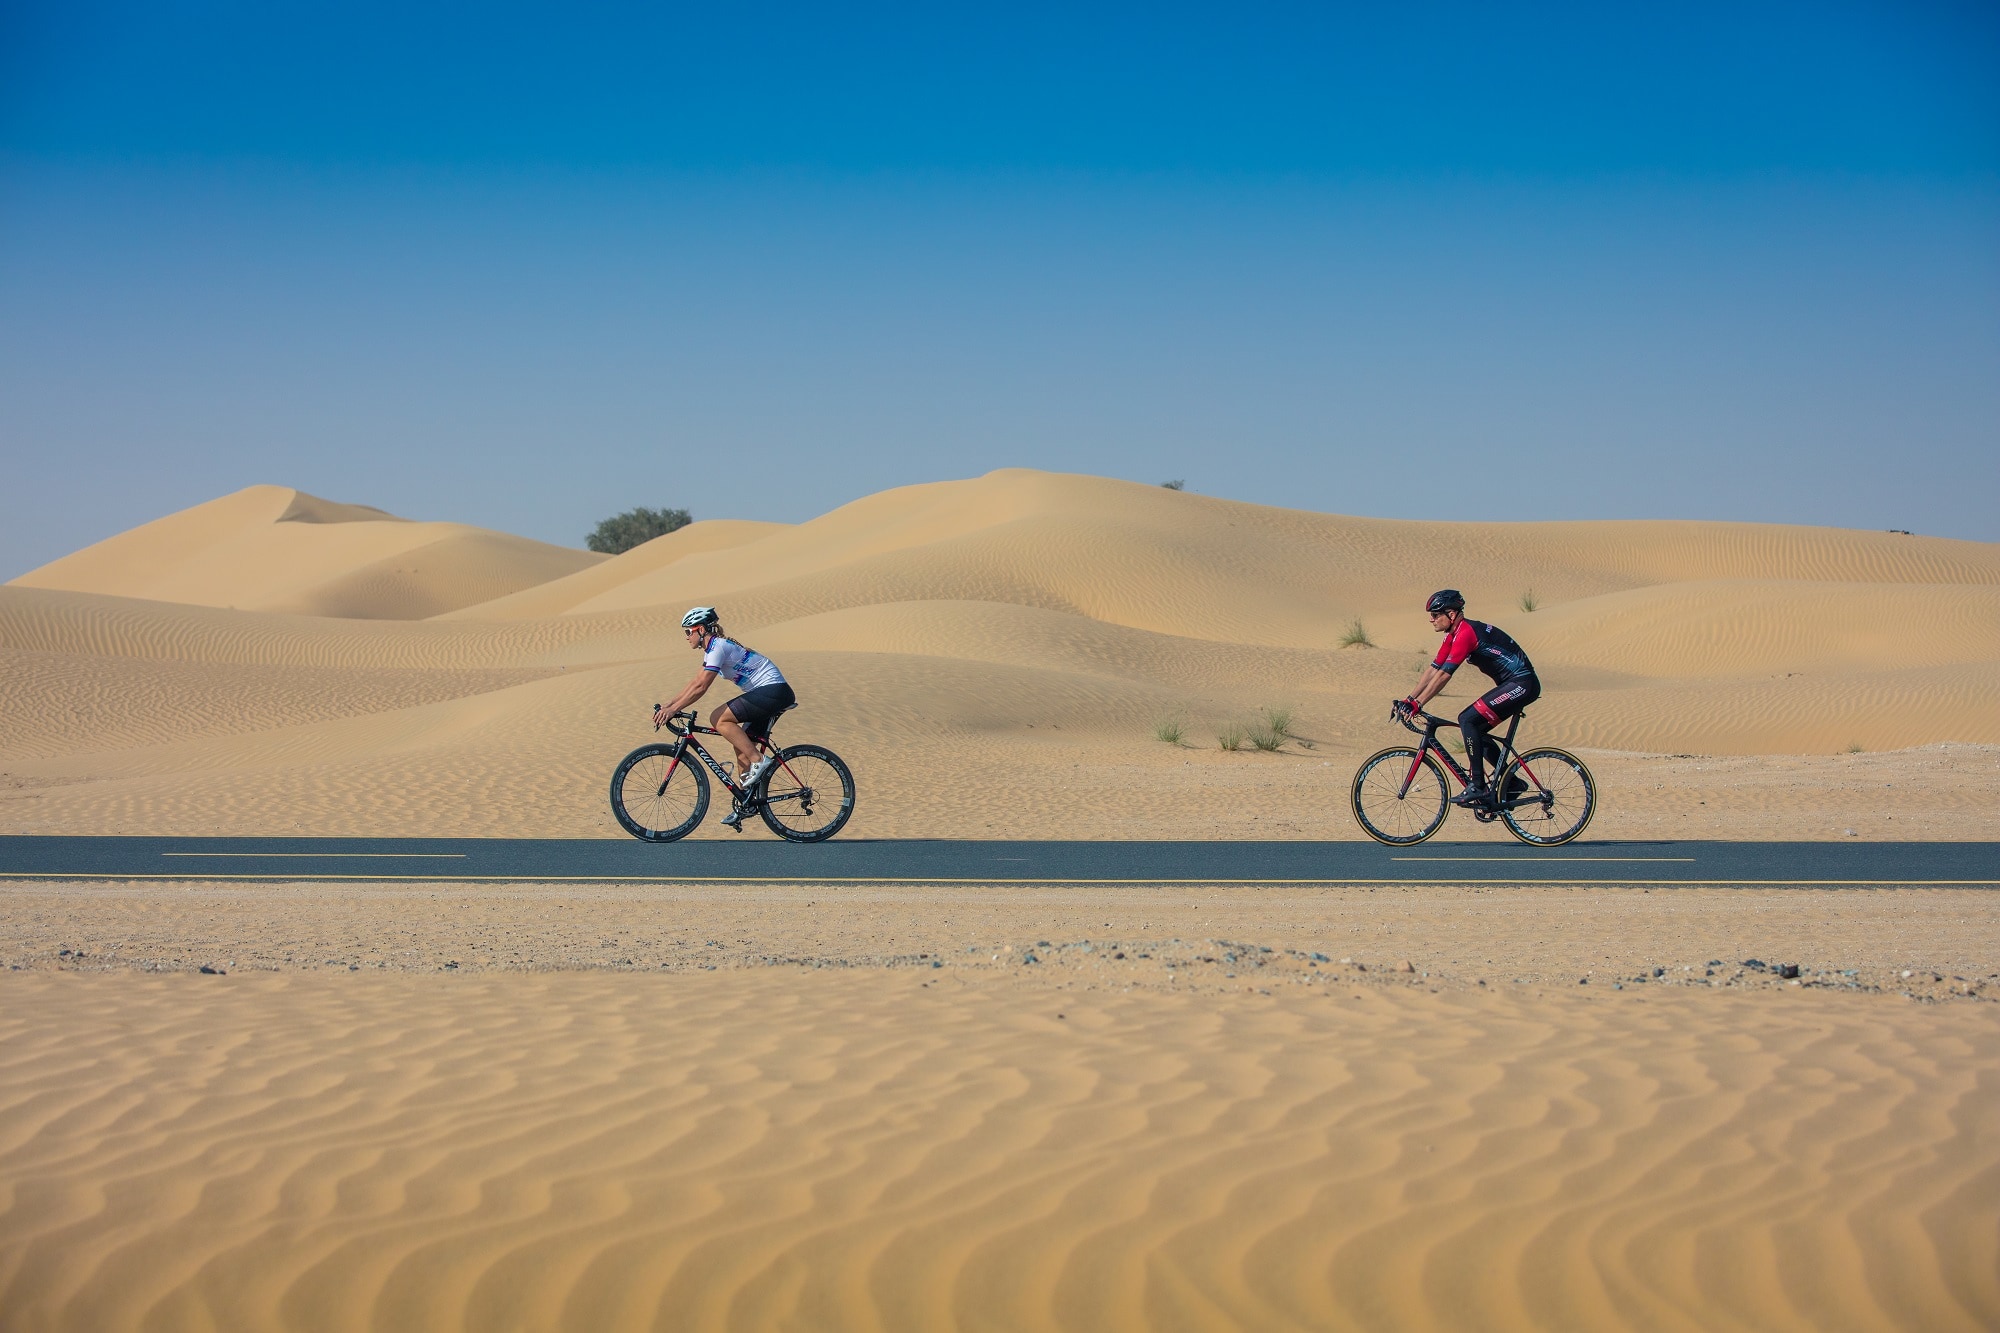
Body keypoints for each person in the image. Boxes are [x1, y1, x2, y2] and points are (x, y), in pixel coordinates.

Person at [1393, 590, 1540, 809]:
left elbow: (1444, 675)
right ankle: (1513, 783)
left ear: (1451, 614)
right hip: (1514, 684)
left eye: (1435, 614)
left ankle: (1478, 786)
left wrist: (1419, 704)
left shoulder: (1466, 633)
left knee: (1467, 719)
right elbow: (1434, 670)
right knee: (1475, 728)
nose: (1430, 619)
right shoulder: (1452, 635)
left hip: (1522, 683)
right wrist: (1409, 699)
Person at [653, 607, 796, 825]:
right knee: (741, 743)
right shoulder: (712, 649)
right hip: (770, 693)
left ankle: (759, 760)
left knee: (718, 719)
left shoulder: (718, 647)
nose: (686, 637)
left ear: (700, 629)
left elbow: (701, 687)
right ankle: (745, 800)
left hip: (774, 691)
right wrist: (670, 705)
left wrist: (673, 710)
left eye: (688, 632)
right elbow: (694, 682)